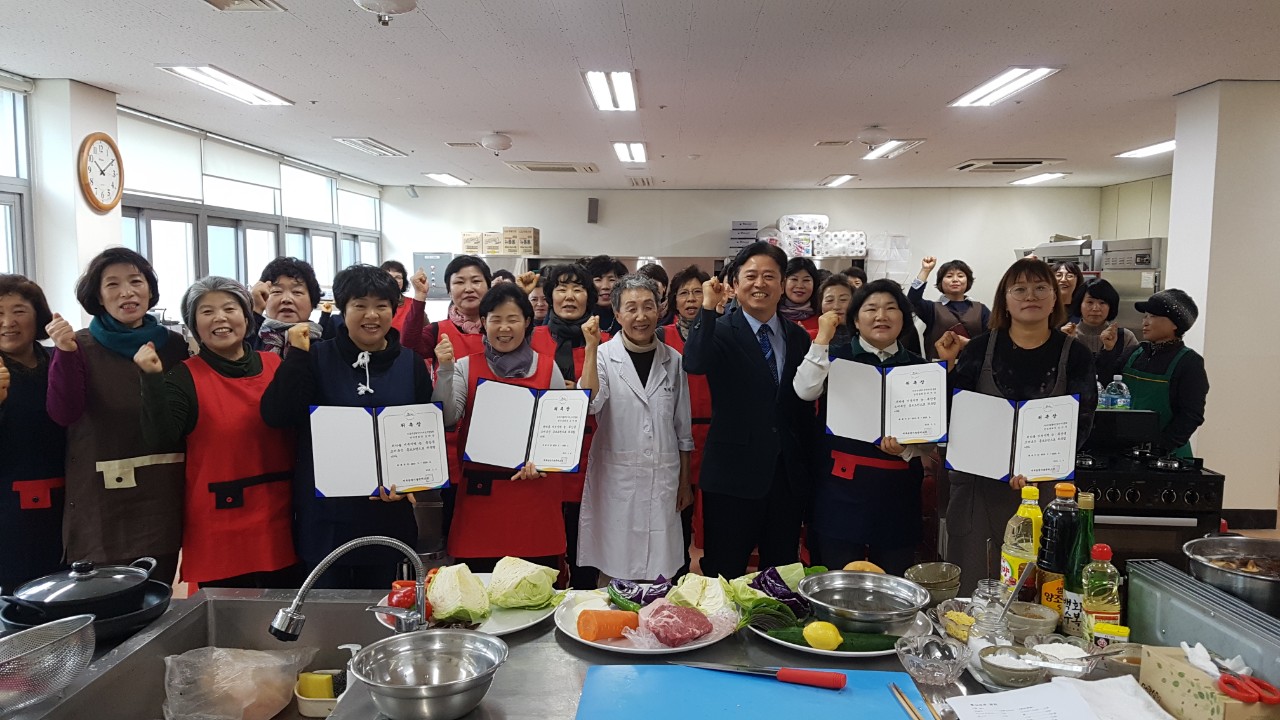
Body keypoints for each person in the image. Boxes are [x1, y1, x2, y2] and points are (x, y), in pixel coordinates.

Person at [934, 258, 1097, 594]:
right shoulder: (979, 349)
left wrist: (1034, 468)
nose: (1030, 296)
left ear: (1055, 298)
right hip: (977, 483)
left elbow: (1081, 423)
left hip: (1044, 487)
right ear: (1004, 300)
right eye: (1019, 289)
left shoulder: (1076, 354)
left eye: (1040, 288)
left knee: (1038, 584)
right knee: (972, 581)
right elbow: (957, 413)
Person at [261, 264, 428, 588]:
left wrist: (409, 483)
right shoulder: (315, 357)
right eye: (359, 305)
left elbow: (420, 437)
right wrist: (295, 356)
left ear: (394, 309)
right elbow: (277, 415)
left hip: (387, 518)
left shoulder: (411, 364)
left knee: (381, 615)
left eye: (381, 305)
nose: (371, 315)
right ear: (342, 308)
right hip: (326, 520)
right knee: (327, 619)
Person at [138, 277, 296, 588]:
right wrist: (152, 380)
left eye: (229, 308)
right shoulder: (184, 376)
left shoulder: (276, 364)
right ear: (194, 325)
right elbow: (161, 438)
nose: (220, 318)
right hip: (221, 526)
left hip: (281, 517)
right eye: (207, 312)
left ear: (246, 317)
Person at [45, 248, 188, 583]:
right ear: (98, 296)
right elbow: (63, 413)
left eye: (136, 281)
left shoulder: (174, 345)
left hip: (163, 496)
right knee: (105, 602)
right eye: (113, 285)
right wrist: (64, 354)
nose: (127, 292)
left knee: (157, 598)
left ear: (150, 290)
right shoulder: (77, 346)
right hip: (102, 501)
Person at [682, 242, 816, 579]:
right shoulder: (720, 328)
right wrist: (708, 310)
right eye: (751, 276)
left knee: (780, 573)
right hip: (731, 477)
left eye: (769, 276)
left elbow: (800, 407)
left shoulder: (797, 337)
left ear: (783, 283)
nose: (760, 284)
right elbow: (695, 363)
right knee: (723, 573)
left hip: (784, 478)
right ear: (734, 284)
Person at [794, 279, 933, 575]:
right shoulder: (835, 358)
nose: (881, 316)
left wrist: (909, 450)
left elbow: (933, 441)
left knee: (894, 582)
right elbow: (805, 390)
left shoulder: (920, 370)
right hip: (841, 490)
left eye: (891, 309)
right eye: (871, 309)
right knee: (837, 581)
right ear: (856, 319)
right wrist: (821, 340)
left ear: (904, 319)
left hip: (898, 493)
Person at [435, 283, 568, 571]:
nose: (504, 328)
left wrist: (545, 462)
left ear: (527, 322)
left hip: (535, 497)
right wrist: (444, 369)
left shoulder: (548, 368)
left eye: (513, 319)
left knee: (538, 595)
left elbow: (560, 431)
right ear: (483, 323)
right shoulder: (465, 366)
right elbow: (447, 418)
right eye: (495, 319)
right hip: (481, 503)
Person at [575, 275, 693, 582]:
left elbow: (683, 429)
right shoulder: (602, 356)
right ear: (616, 314)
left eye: (648, 307)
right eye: (631, 308)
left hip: (663, 477)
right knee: (615, 569)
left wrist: (684, 483)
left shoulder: (674, 360)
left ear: (660, 310)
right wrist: (590, 348)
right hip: (616, 478)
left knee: (660, 572)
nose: (641, 316)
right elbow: (589, 403)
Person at [530, 263, 611, 588]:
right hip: (541, 460)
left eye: (577, 289)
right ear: (549, 296)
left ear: (588, 297)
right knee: (542, 553)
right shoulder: (530, 337)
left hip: (591, 455)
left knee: (584, 550)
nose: (569, 296)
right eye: (561, 288)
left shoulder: (605, 341)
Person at [404, 255, 493, 505]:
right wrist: (419, 296)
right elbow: (408, 347)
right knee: (452, 510)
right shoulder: (437, 330)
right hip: (449, 433)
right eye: (459, 282)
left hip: (491, 430)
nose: (468, 288)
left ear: (488, 286)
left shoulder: (501, 329)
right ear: (449, 289)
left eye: (476, 281)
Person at [0, 275, 66, 594]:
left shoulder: (58, 360)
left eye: (19, 311)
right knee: (21, 602)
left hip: (70, 506)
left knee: (68, 594)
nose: (8, 323)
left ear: (38, 316)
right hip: (9, 513)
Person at [1105, 289, 1208, 459]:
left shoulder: (1189, 362)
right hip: (1126, 452)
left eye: (1152, 316)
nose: (1145, 322)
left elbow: (1191, 415)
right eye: (1145, 316)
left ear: (1175, 324)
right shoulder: (1134, 352)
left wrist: (1160, 448)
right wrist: (1108, 352)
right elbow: (1104, 384)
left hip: (1168, 458)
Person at [662, 264, 712, 574]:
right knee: (677, 510)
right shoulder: (660, 335)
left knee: (713, 515)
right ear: (674, 301)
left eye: (698, 292)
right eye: (684, 293)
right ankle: (677, 573)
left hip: (714, 435)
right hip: (674, 435)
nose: (691, 299)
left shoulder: (721, 330)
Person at [1061, 278, 1138, 385]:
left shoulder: (1125, 337)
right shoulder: (1066, 335)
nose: (1096, 308)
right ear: (1079, 304)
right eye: (1090, 302)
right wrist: (1066, 344)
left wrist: (1109, 350)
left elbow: (1134, 375)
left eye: (1102, 303)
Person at [909, 256, 991, 355]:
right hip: (940, 367)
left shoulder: (981, 309)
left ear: (968, 281)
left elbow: (991, 338)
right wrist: (925, 270)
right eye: (949, 276)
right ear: (940, 282)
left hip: (973, 367)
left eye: (960, 276)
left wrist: (969, 344)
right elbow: (912, 299)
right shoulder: (931, 308)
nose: (955, 280)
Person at [250, 257, 330, 357]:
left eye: (297, 292)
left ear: (312, 301)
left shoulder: (324, 351)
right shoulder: (250, 340)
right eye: (276, 291)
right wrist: (255, 312)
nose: (286, 299)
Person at [779, 257, 821, 339]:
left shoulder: (823, 316)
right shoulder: (771, 316)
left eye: (806, 280)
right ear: (783, 283)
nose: (800, 286)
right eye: (794, 279)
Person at [584, 255, 627, 334]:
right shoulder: (580, 317)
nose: (605, 286)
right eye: (598, 280)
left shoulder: (627, 317)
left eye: (612, 279)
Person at [817, 274, 856, 348]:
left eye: (843, 300)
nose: (836, 307)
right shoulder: (811, 337)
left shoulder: (866, 336)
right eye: (829, 300)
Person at [380, 260, 417, 333]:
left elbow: (425, 333)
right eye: (389, 277)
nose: (393, 281)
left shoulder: (413, 305)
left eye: (398, 277)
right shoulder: (373, 304)